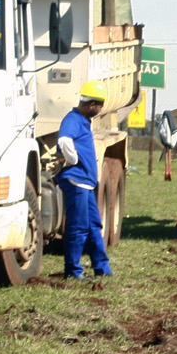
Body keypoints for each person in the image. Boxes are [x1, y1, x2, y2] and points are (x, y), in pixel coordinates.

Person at [56, 82, 113, 280]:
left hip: (85, 182)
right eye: (100, 106)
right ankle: (72, 270)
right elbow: (64, 140)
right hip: (77, 181)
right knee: (78, 227)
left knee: (93, 225)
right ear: (92, 105)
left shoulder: (81, 120)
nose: (101, 110)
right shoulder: (73, 119)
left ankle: (102, 268)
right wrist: (73, 160)